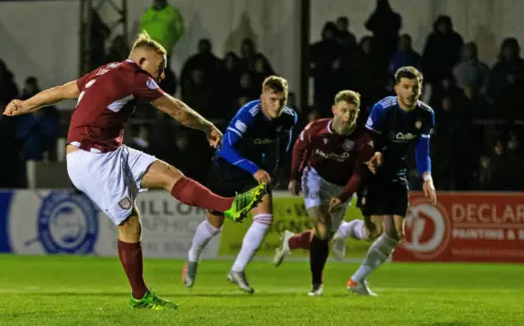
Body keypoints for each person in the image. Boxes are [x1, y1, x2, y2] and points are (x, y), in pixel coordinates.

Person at [2, 31, 266, 309]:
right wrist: (208, 127)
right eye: (159, 68)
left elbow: (61, 91)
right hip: (91, 159)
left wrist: (25, 105)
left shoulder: (107, 70)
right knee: (129, 224)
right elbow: (176, 109)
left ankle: (230, 206)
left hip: (109, 150)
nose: (161, 76)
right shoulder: (134, 77)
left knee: (169, 175)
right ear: (142, 60)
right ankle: (139, 296)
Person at [183, 76, 297, 293]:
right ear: (262, 96)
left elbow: (284, 141)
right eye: (272, 99)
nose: (277, 105)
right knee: (214, 226)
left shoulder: (288, 118)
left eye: (281, 100)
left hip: (251, 176)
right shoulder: (249, 115)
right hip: (225, 170)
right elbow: (226, 149)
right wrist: (255, 169)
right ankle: (193, 257)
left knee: (265, 217)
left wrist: (280, 167)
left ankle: (237, 269)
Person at [271, 90, 374, 296]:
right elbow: (299, 150)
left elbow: (358, 175)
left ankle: (291, 241)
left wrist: (343, 196)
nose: (347, 117)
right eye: (344, 111)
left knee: (324, 235)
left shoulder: (363, 139)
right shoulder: (315, 129)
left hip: (342, 187)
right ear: (334, 110)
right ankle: (317, 286)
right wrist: (294, 177)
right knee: (322, 229)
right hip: (315, 178)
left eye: (352, 113)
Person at [348, 66, 437, 296]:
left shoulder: (426, 114)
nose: (411, 92)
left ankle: (357, 280)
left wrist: (427, 177)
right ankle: (341, 230)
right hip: (374, 173)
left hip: (397, 173)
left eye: (415, 88)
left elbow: (422, 149)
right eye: (406, 87)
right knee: (373, 231)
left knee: (395, 234)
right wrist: (373, 154)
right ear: (396, 88)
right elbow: (366, 141)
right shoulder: (382, 109)